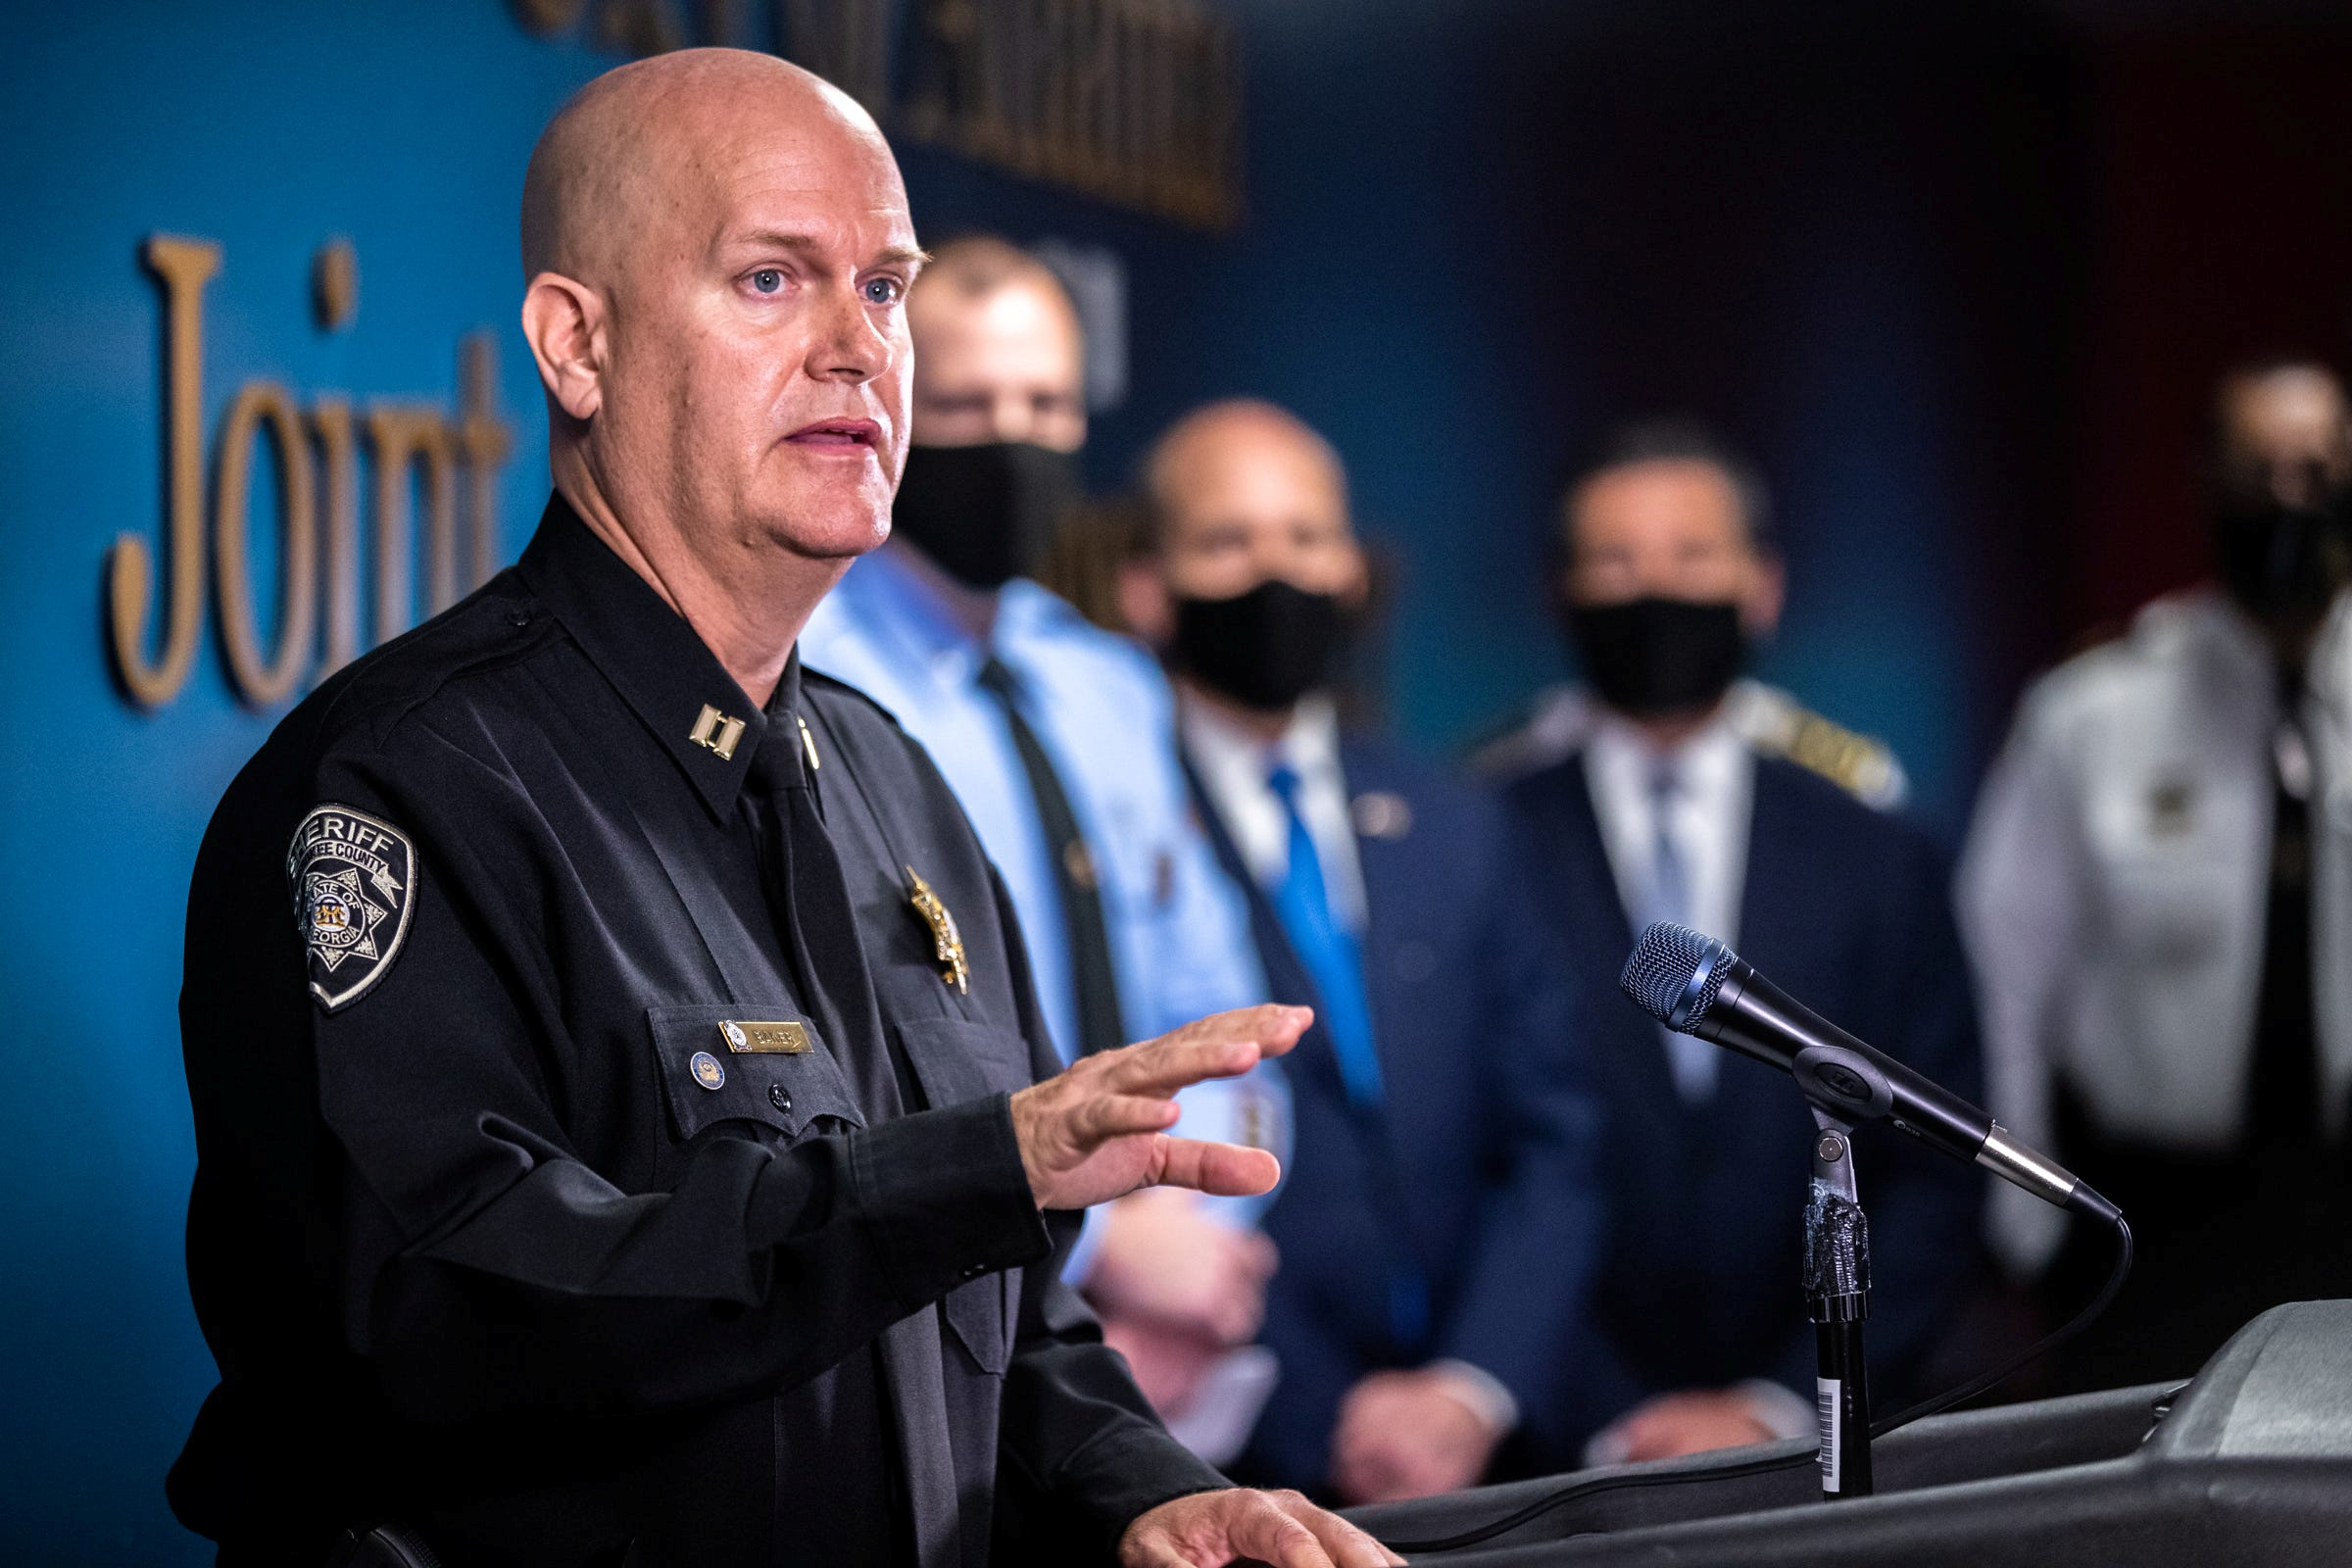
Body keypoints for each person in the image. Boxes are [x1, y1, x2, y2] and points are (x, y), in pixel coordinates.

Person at [166, 50, 1401, 1568]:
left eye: (883, 289)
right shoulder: (404, 786)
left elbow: (1003, 1330)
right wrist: (975, 1170)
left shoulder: (901, 787)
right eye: (770, 279)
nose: (857, 350)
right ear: (577, 345)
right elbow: (457, 1325)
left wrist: (1147, 1488)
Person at [796, 236, 1285, 1453]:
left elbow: (1213, 997)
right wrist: (1112, 1238)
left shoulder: (1106, 683)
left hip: (1183, 1333)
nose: (1012, 438)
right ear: (896, 404)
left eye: (1046, 405)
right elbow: (865, 1046)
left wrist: (1199, 1234)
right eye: (967, 405)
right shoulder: (814, 688)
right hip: (953, 1312)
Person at [1121, 399, 1603, 1505]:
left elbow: (1555, 1139)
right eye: (1228, 541)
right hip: (1238, 1460)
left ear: (1352, 569)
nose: (1276, 572)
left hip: (1491, 1460)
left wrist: (1472, 1389)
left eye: (1306, 537)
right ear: (1147, 585)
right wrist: (1317, 1418)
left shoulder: (1453, 815)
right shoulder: (1105, 826)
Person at [1500, 420, 1984, 1466]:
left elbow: (1937, 1172)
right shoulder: (1480, 838)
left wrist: (1780, 1397)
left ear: (1761, 584)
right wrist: (1603, 1413)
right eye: (1616, 562)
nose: (1655, 590)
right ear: (1560, 592)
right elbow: (1463, 1161)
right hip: (1555, 1448)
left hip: (1834, 1440)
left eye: (1690, 557)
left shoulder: (1879, 850)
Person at [1960, 359, 2352, 1391]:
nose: (2290, 501)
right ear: (2205, 485)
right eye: (2258, 471)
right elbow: (2002, 976)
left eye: (2319, 468)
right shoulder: (2095, 709)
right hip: (2155, 1225)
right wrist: (2027, 1221)